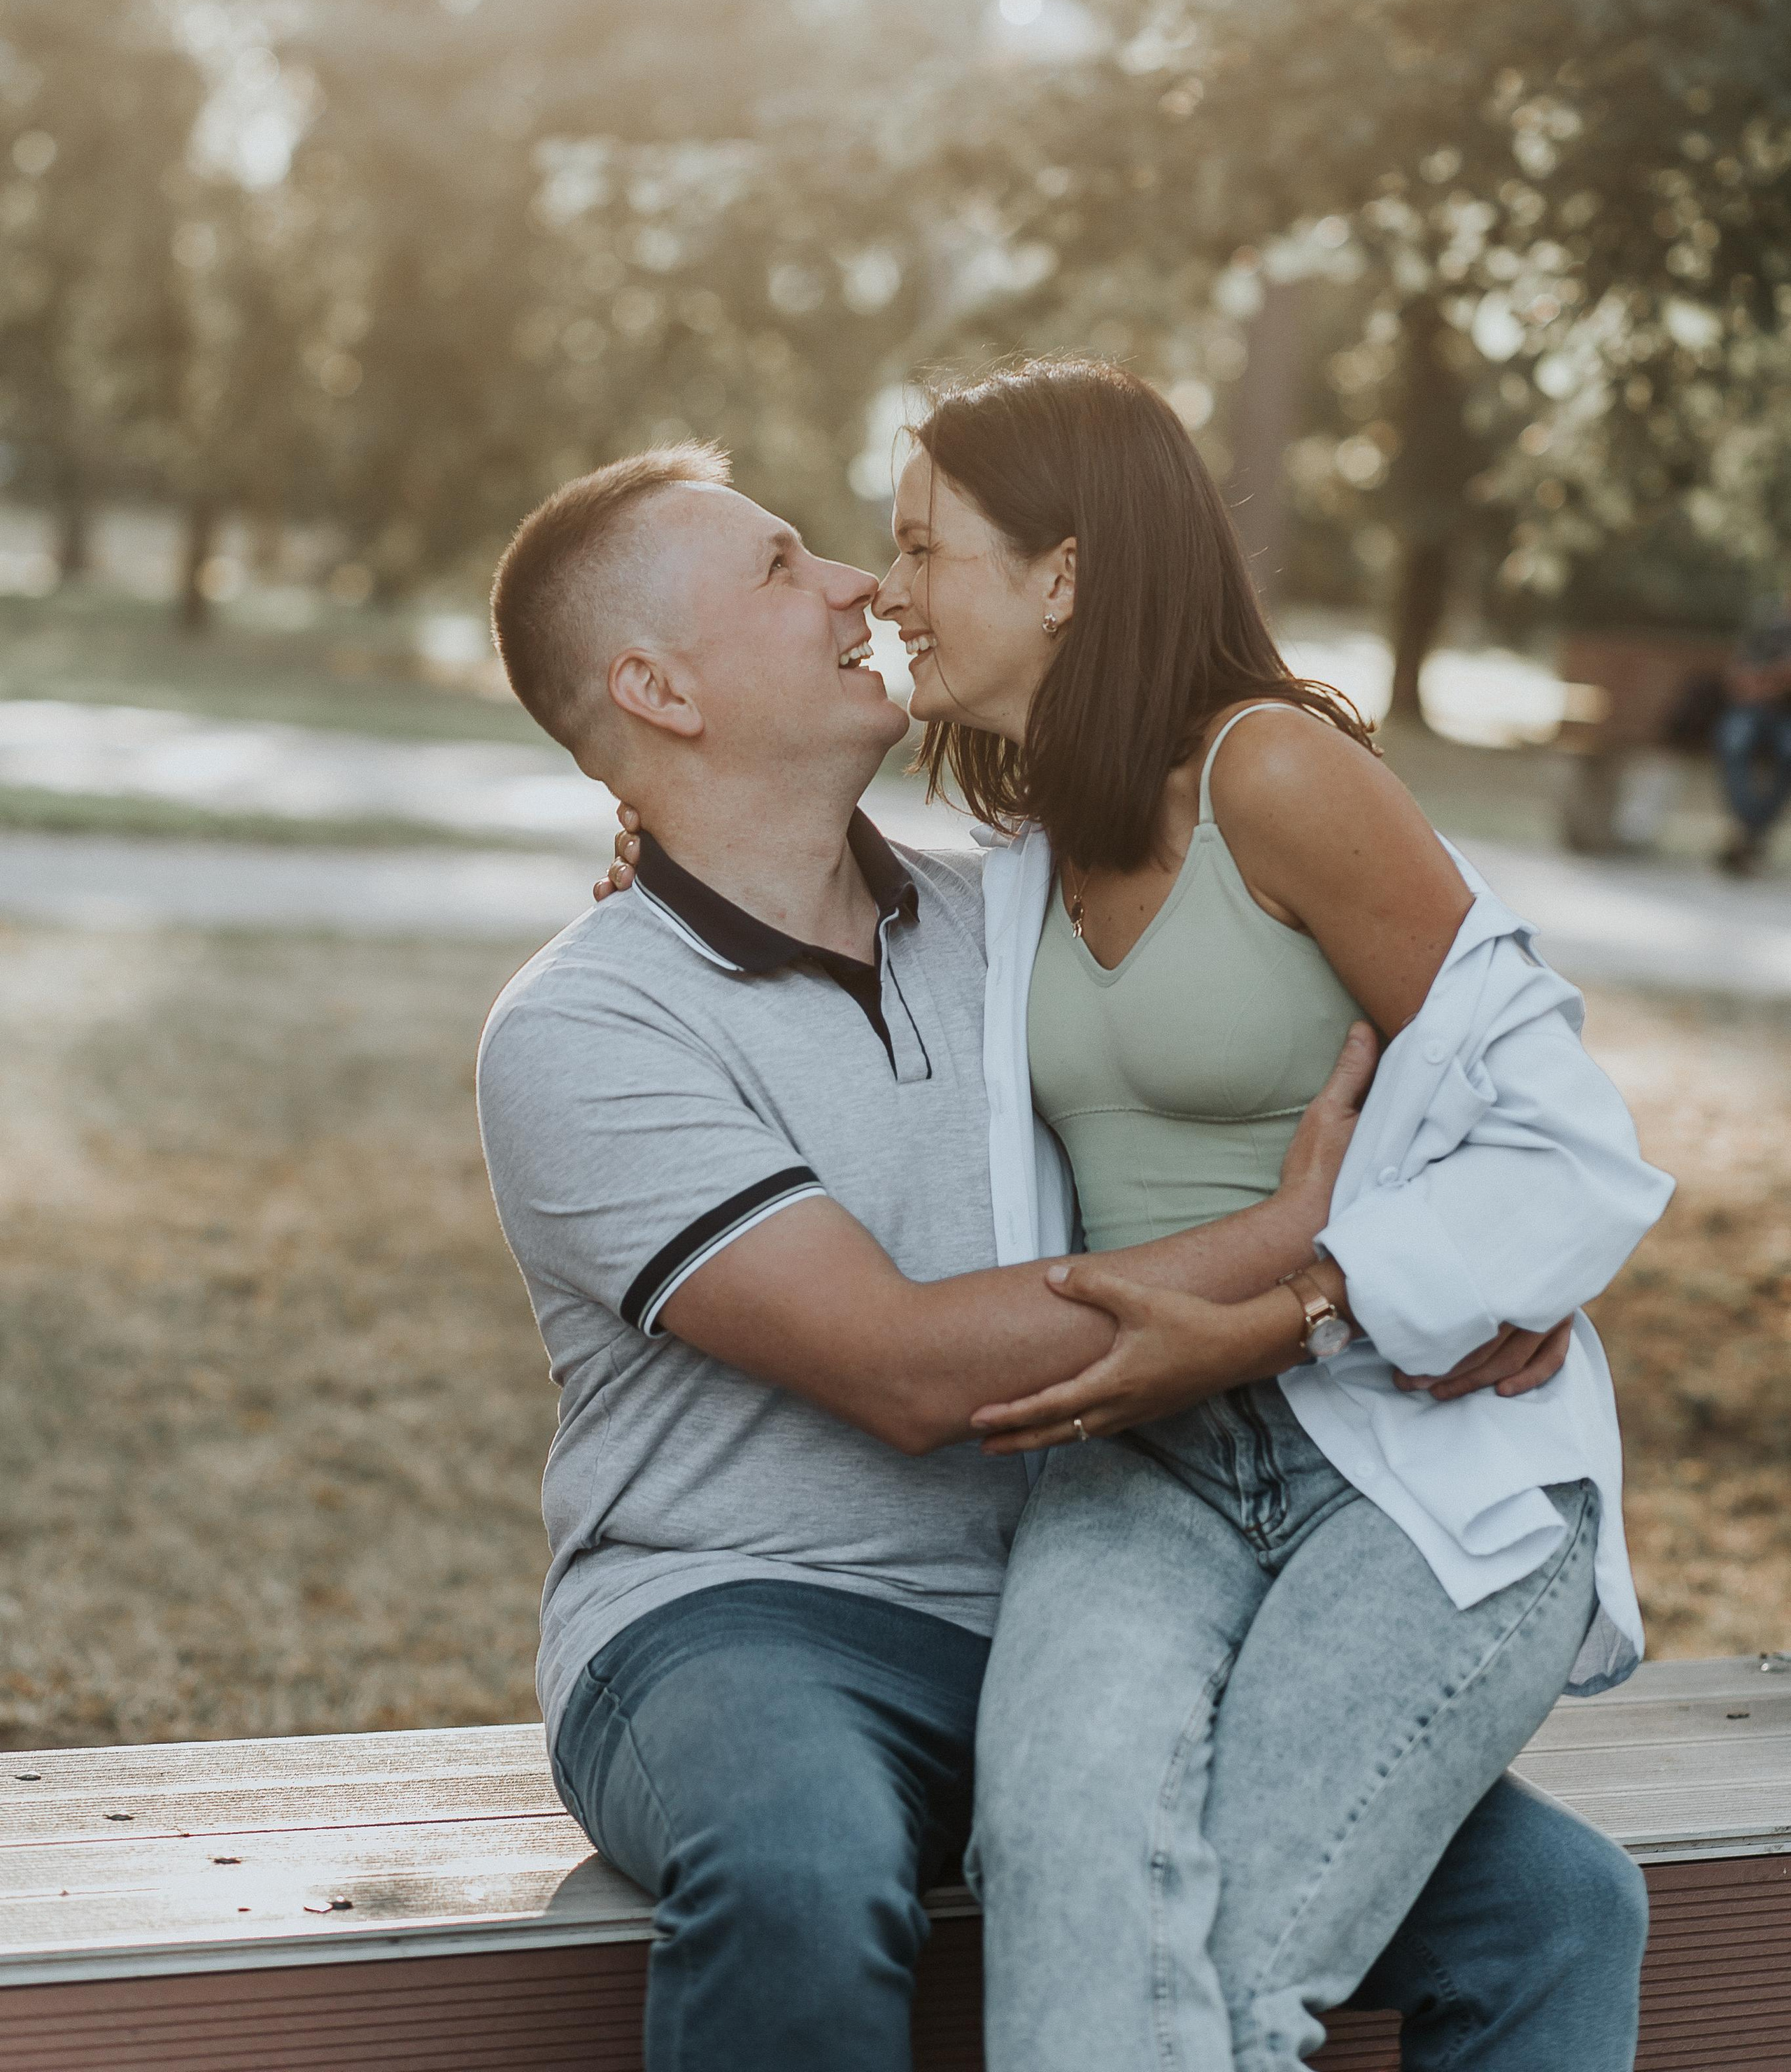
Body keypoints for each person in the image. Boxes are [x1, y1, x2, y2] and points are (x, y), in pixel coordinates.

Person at [479, 439, 1655, 2072]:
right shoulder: (586, 1027)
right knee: (803, 1868)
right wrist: (1304, 1247)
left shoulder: (1012, 924)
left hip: (1069, 1598)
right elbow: (896, 1367)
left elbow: (1431, 1068)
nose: (853, 584)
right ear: (654, 688)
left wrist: (1466, 1258)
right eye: (778, 565)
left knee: (1557, 1905)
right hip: (737, 1618)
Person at [863, 354, 1671, 2072]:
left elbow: (1566, 1144)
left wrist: (1299, 1302)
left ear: (1063, 573)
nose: (888, 588)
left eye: (925, 547)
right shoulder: (1015, 864)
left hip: (1406, 1455)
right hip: (1138, 1469)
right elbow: (792, 888)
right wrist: (654, 831)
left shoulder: (1276, 779)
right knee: (1077, 1921)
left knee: (1222, 1977)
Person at [1714, 591, 1791, 874]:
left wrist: (1767, 682)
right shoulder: (1765, 633)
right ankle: (1752, 828)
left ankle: (1747, 832)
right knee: (1734, 739)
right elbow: (1738, 679)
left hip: (1786, 716)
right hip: (1751, 711)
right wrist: (1775, 681)